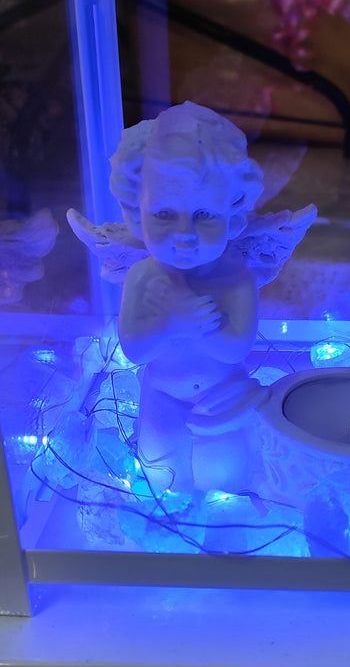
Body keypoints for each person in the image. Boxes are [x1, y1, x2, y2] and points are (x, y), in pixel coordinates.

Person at [110, 102, 268, 493]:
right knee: (163, 478)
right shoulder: (141, 276)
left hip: (223, 397)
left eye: (205, 215)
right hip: (161, 395)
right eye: (164, 213)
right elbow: (135, 350)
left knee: (223, 481)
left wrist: (196, 322)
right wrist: (170, 322)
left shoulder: (236, 279)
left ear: (232, 215)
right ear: (136, 213)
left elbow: (235, 350)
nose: (185, 233)